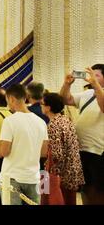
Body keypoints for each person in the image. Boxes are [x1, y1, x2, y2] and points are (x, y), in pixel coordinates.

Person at [59, 64, 104, 205]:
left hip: (98, 151)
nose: (92, 78)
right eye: (91, 74)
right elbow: (65, 100)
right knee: (85, 188)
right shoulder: (87, 94)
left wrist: (96, 86)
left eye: (97, 75)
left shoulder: (99, 92)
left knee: (98, 190)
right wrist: (67, 85)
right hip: (81, 150)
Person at [0, 84, 48, 205]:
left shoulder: (9, 121)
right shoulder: (41, 122)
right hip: (34, 176)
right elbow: (44, 152)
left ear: (11, 99)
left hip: (12, 176)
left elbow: (3, 152)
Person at [41, 93, 84, 205]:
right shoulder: (66, 119)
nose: (41, 106)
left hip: (60, 174)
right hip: (72, 170)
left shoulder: (53, 125)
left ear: (48, 107)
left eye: (42, 104)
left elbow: (57, 154)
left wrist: (51, 175)